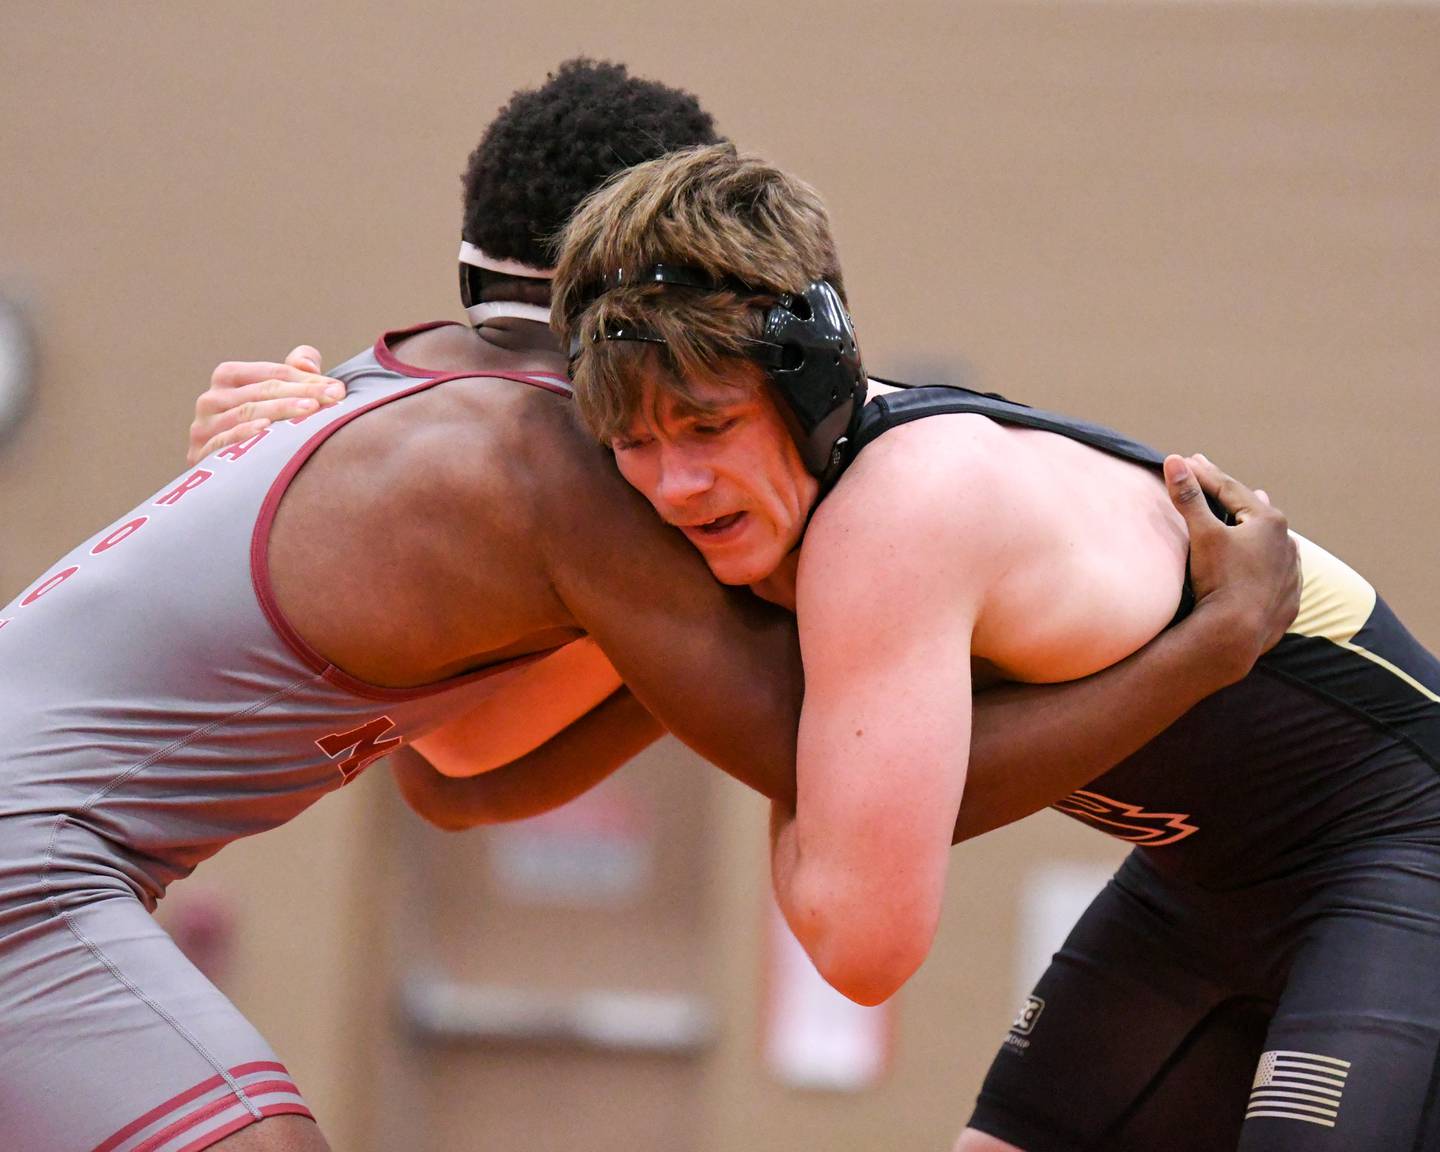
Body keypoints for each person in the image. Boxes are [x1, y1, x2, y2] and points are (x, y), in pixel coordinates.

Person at [1, 66, 1292, 1152]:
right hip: (35, 867)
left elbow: (454, 776)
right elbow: (829, 785)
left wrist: (669, 642)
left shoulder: (387, 386)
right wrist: (1207, 650)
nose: (664, 456)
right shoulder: (555, 461)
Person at [549, 142, 1440, 1152]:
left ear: (815, 381)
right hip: (1197, 888)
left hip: (1402, 857)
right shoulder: (805, 506)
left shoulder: (900, 512)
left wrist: (791, 744)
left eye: (708, 428)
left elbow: (863, 944)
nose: (675, 488)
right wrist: (1201, 657)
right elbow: (457, 782)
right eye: (634, 444)